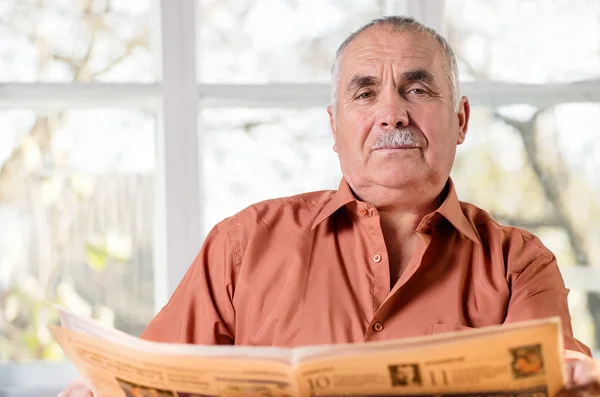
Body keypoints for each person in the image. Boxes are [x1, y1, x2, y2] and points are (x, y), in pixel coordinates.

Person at [58, 16, 600, 397]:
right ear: (334, 126)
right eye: (365, 94)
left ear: (460, 120)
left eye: (417, 90)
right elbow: (149, 382)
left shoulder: (519, 264)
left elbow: (558, 376)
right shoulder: (242, 245)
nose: (392, 114)